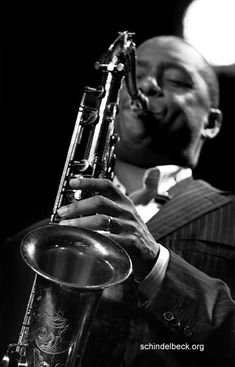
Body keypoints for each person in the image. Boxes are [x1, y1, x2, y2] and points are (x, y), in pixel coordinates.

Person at [1, 35, 235, 366]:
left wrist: (156, 263)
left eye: (177, 80)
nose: (148, 85)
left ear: (211, 123)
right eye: (135, 78)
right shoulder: (31, 237)